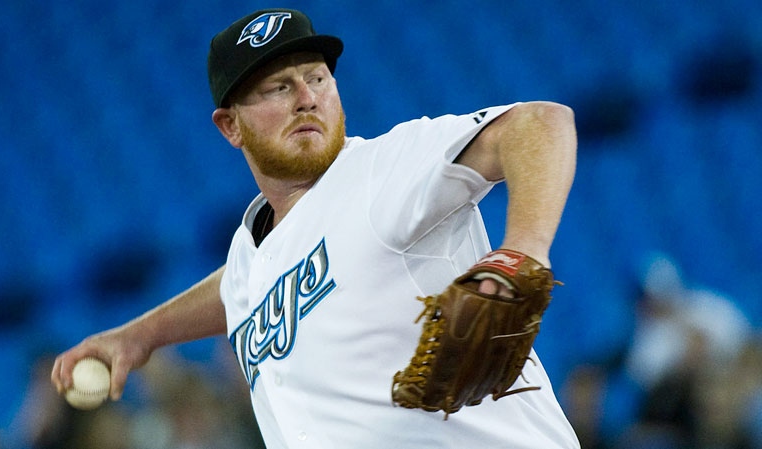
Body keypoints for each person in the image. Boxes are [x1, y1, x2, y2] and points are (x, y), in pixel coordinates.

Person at [52, 8, 580, 448]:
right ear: (229, 125)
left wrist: (521, 253)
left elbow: (540, 123)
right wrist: (137, 338)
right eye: (278, 87)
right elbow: (243, 288)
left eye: (318, 78)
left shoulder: (381, 171)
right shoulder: (251, 250)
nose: (307, 97)